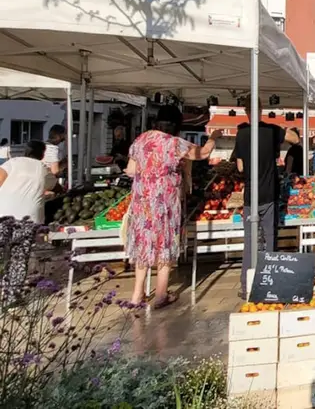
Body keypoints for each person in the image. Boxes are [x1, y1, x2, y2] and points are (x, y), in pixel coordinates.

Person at [124, 105, 220, 307]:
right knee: (164, 243)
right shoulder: (174, 143)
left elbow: (131, 170)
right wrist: (214, 137)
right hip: (165, 201)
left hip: (142, 201)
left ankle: (137, 294)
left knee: (143, 243)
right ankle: (161, 294)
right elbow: (203, 153)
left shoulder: (140, 140)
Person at [234, 99, 299, 296]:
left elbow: (240, 167)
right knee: (269, 238)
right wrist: (283, 130)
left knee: (249, 241)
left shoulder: (241, 134)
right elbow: (295, 139)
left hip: (250, 195)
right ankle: (268, 281)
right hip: (269, 193)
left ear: (246, 111)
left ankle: (246, 285)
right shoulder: (272, 130)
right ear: (261, 109)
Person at [0, 140, 59, 222]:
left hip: (3, 218)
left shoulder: (12, 162)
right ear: (42, 155)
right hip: (31, 221)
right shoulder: (43, 168)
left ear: (25, 152)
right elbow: (57, 188)